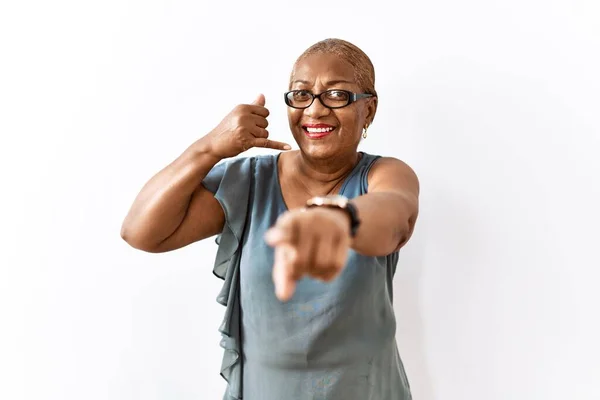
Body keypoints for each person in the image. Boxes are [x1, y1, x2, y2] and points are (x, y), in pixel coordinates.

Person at [121, 38, 420, 400]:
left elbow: (394, 214)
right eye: (301, 94)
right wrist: (209, 147)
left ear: (368, 110)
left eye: (337, 95)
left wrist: (339, 220)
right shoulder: (249, 180)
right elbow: (140, 231)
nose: (315, 109)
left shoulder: (383, 174)